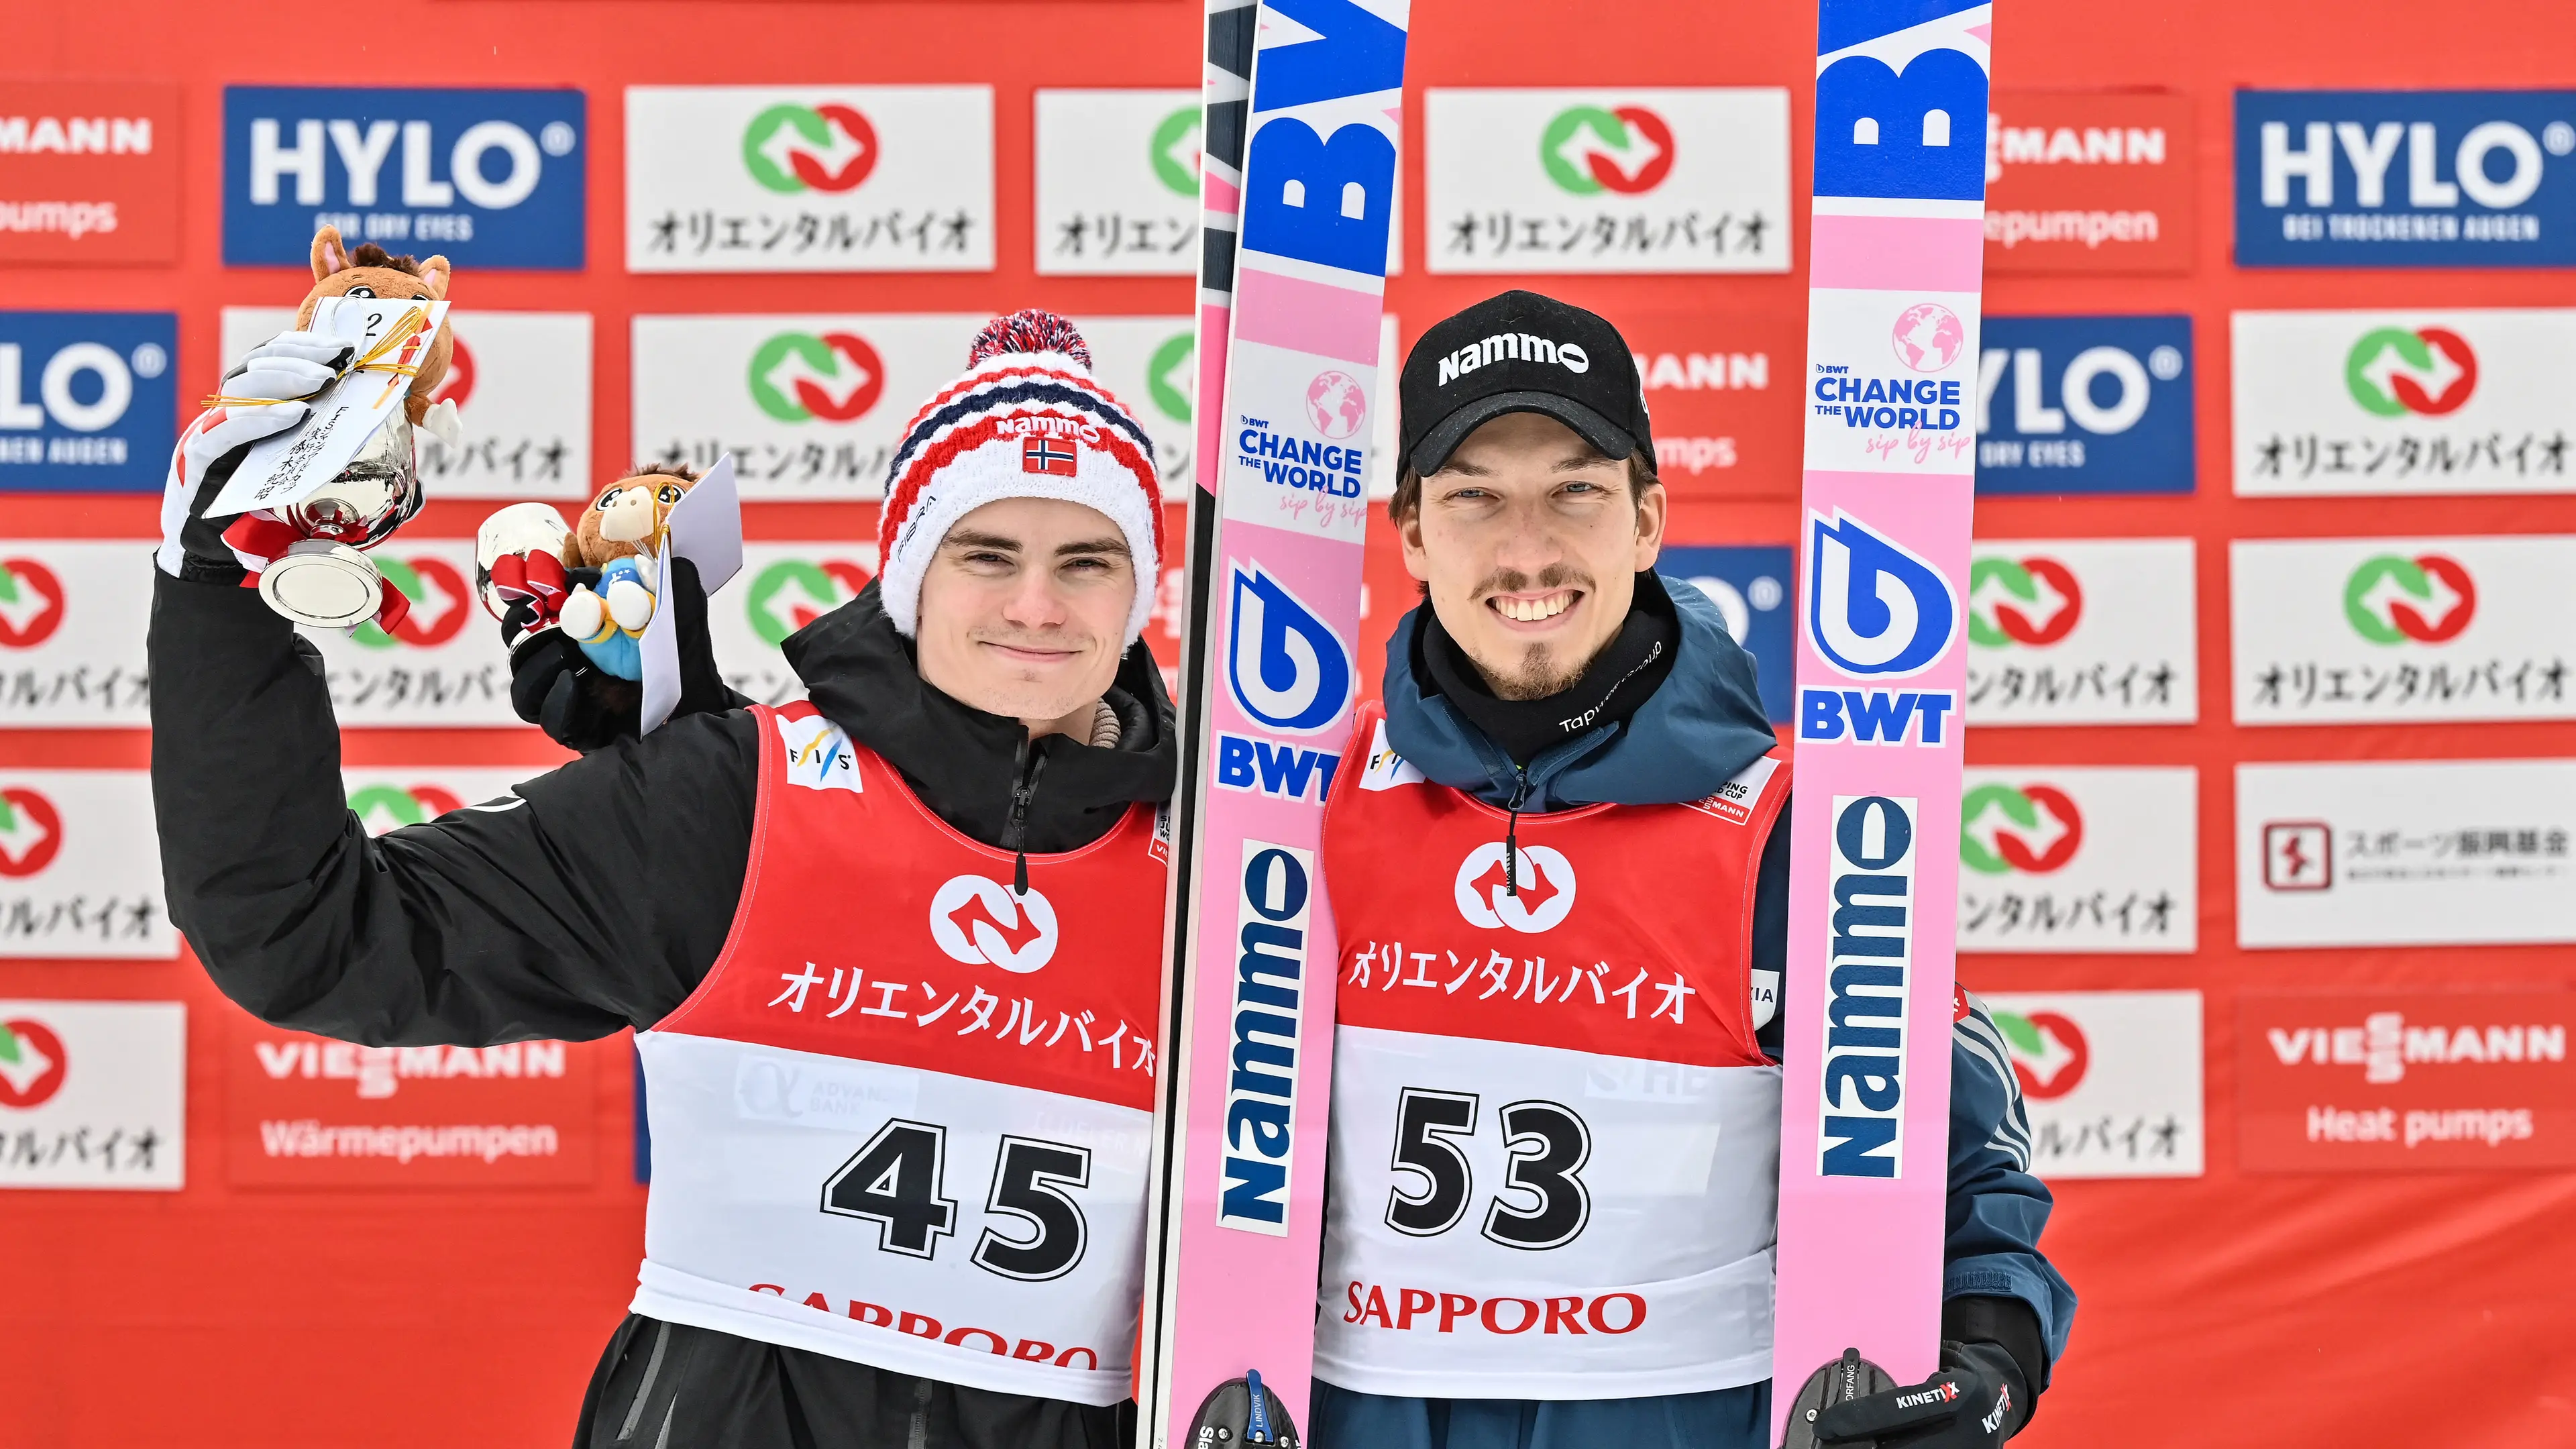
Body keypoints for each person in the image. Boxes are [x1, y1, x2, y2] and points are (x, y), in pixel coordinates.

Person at [150, 310, 1175, 1449]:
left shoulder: (1229, 879)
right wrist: (217, 593)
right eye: (987, 554)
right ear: (909, 578)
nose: (1037, 606)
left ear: (1139, 597)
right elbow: (308, 935)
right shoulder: (733, 805)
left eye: (1087, 561)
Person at [1305, 292, 2074, 1449]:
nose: (1528, 550)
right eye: (1475, 496)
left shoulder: (1795, 831)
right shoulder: (1298, 812)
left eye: (1576, 489)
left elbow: (1956, 1162)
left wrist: (1992, 1349)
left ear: (1648, 518)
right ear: (1411, 532)